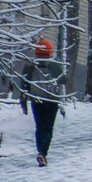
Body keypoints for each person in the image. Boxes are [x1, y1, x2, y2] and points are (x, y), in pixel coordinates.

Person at [22, 38, 66, 167]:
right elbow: (64, 79)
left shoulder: (30, 65)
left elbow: (24, 82)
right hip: (51, 100)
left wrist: (24, 98)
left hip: (36, 100)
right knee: (48, 127)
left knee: (40, 126)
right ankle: (43, 152)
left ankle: (40, 150)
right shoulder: (53, 65)